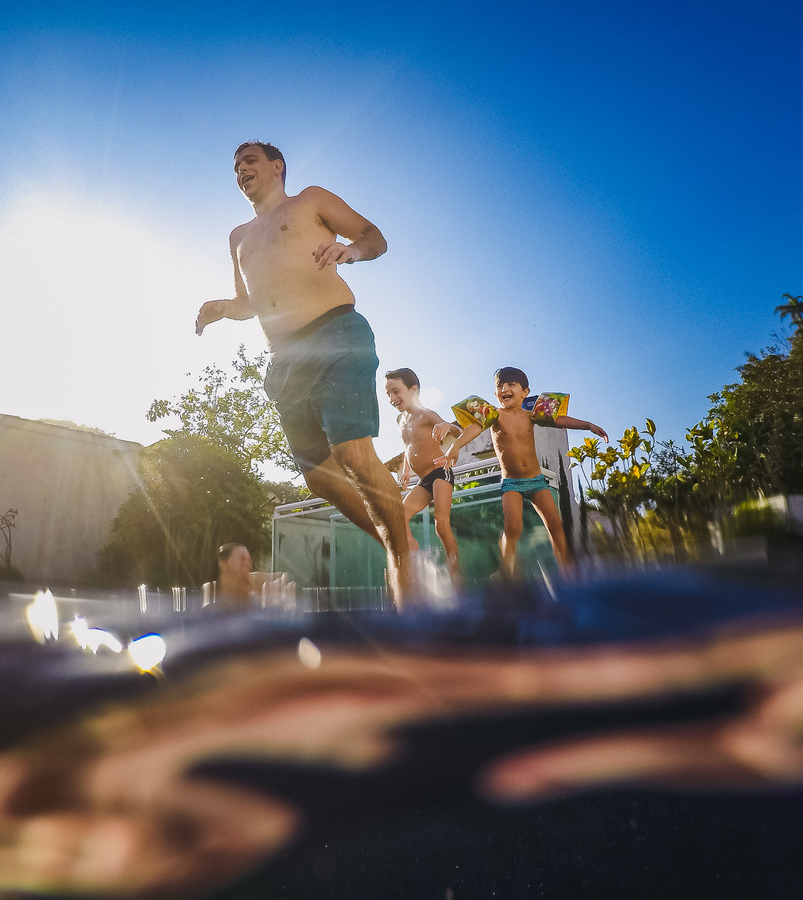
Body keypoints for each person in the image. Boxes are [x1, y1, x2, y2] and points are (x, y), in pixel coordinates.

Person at [195, 142, 414, 607]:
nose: (241, 170)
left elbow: (375, 237)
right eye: (235, 167)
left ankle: (404, 569)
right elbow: (249, 301)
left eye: (249, 161)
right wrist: (221, 308)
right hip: (285, 359)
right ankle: (396, 538)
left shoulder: (310, 200)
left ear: (277, 166)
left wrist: (350, 251)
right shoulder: (238, 237)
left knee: (353, 454)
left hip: (336, 334)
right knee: (317, 477)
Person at [434, 366, 608, 578]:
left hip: (536, 481)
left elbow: (560, 420)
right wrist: (456, 446)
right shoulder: (494, 415)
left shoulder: (531, 415)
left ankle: (567, 571)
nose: (504, 389)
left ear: (525, 392)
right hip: (512, 484)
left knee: (555, 526)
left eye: (511, 385)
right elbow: (474, 428)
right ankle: (508, 569)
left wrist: (588, 425)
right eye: (500, 386)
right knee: (513, 528)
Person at [384, 367, 462, 588]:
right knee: (399, 516)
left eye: (396, 391)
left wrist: (447, 425)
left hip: (440, 472)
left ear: (413, 389)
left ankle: (455, 574)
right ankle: (414, 554)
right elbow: (409, 446)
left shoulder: (427, 415)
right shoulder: (400, 419)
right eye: (388, 394)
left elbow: (457, 432)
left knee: (441, 524)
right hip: (422, 479)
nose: (392, 398)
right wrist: (406, 468)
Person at [211, 542, 253, 612]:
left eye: (249, 561)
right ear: (223, 564)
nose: (248, 565)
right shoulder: (210, 608)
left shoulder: (256, 604)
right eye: (242, 559)